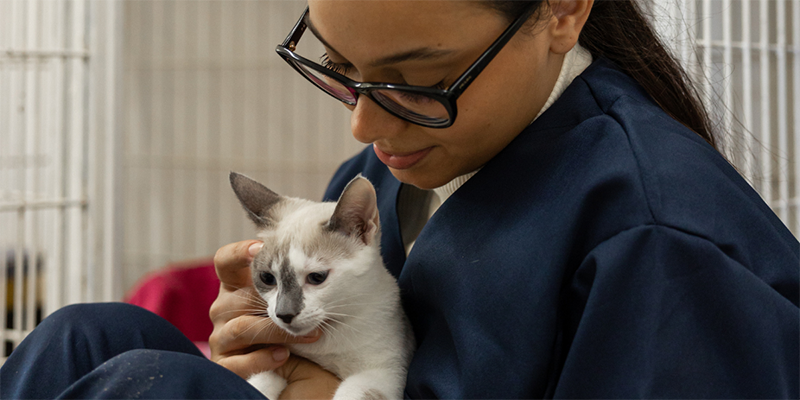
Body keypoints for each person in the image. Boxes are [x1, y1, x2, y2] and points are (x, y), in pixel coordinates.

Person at [2, 0, 800, 398]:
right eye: (339, 63)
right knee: (84, 335)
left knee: (152, 385)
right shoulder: (414, 160)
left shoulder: (658, 238)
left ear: (562, 11)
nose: (363, 120)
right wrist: (267, 347)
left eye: (417, 80)